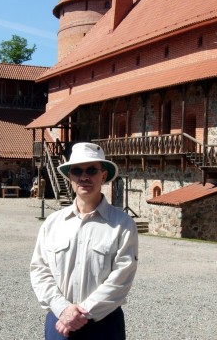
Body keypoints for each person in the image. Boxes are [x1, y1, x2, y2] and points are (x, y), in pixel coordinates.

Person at [30, 142, 138, 340]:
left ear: (103, 175)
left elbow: (121, 280)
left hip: (103, 325)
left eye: (91, 170)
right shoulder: (53, 223)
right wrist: (63, 310)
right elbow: (40, 270)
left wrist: (81, 313)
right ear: (70, 176)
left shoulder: (123, 225)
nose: (84, 177)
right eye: (77, 170)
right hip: (60, 323)